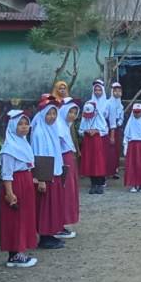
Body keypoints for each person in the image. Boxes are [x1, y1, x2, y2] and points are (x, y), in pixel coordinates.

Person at [0, 111, 39, 270]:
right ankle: (14, 253)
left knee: (24, 218)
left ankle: (21, 250)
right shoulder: (9, 148)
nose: (24, 127)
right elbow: (7, 174)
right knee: (15, 219)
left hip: (25, 181)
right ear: (12, 126)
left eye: (26, 124)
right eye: (20, 124)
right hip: (15, 185)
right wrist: (9, 193)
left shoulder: (23, 143)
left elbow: (27, 165)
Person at [29, 97, 67, 250]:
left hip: (54, 173)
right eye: (49, 113)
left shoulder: (51, 129)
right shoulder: (39, 132)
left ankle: (51, 233)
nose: (52, 117)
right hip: (46, 175)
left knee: (53, 205)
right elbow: (39, 156)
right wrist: (42, 179)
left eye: (54, 114)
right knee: (46, 206)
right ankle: (45, 236)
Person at [56, 99, 81, 233]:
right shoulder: (59, 126)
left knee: (70, 190)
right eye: (70, 111)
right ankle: (60, 223)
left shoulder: (66, 125)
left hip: (68, 158)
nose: (72, 115)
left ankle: (64, 222)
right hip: (63, 160)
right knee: (65, 191)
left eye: (74, 113)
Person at [78, 101, 110, 194]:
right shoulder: (85, 118)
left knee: (98, 163)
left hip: (97, 143)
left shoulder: (99, 118)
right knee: (90, 162)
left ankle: (100, 184)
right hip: (88, 143)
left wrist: (97, 131)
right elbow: (80, 130)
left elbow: (105, 130)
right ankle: (93, 184)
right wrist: (85, 131)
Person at [106, 82, 125, 178]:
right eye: (115, 91)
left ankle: (115, 169)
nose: (117, 93)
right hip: (109, 129)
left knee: (117, 149)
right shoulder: (108, 103)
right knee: (109, 150)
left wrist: (119, 122)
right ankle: (107, 170)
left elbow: (121, 117)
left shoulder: (120, 105)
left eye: (119, 91)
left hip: (117, 129)